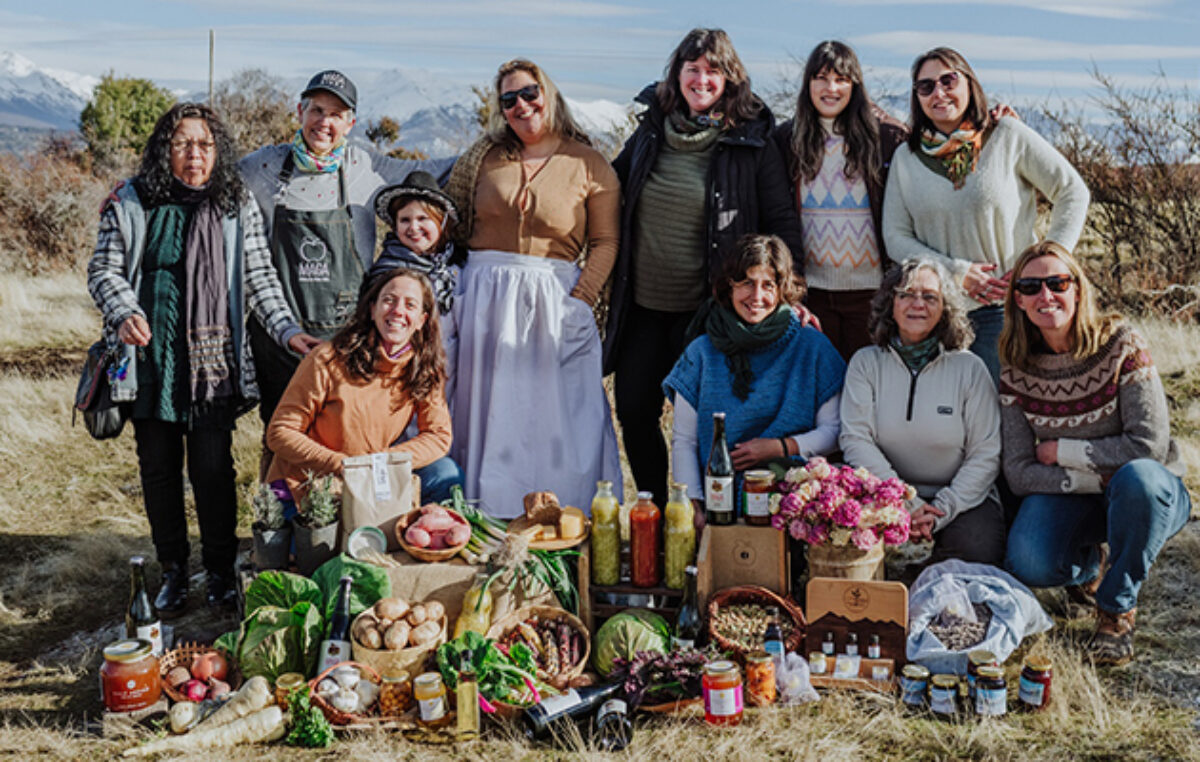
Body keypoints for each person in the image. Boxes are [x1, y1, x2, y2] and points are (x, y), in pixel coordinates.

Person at [87, 102, 305, 612]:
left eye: (204, 144)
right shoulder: (132, 198)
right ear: (165, 149)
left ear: (217, 150)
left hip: (213, 362)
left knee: (212, 469)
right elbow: (104, 270)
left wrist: (288, 332)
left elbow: (260, 278)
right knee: (158, 468)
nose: (194, 154)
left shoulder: (234, 201)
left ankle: (222, 571)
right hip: (149, 359)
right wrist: (122, 312)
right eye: (183, 143)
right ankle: (174, 571)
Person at [604, 28, 804, 505]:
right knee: (633, 409)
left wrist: (792, 295)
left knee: (705, 421)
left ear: (729, 78)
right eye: (691, 68)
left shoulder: (751, 141)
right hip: (644, 306)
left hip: (708, 312)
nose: (701, 78)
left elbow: (780, 222)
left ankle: (708, 514)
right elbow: (605, 186)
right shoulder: (652, 130)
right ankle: (658, 510)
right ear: (676, 75)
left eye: (713, 69)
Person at [443, 58, 622, 518]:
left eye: (529, 94)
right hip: (485, 297)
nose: (521, 105)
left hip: (555, 298)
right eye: (509, 99)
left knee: (560, 419)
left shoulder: (590, 162)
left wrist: (581, 301)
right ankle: (486, 521)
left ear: (549, 94)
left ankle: (567, 520)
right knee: (487, 415)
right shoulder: (481, 157)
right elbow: (452, 221)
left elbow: (605, 241)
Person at [999, 241, 1190, 666]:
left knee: (1137, 478)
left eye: (1057, 282)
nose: (1045, 296)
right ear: (1018, 300)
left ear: (1078, 289)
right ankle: (1090, 568)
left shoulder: (1122, 344)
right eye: (1031, 286)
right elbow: (1018, 471)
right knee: (1029, 561)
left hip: (1150, 494)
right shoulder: (1015, 367)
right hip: (1080, 497)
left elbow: (1148, 446)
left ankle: (1116, 609)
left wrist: (1061, 450)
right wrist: (1094, 475)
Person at [239, 69, 453, 430]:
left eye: (336, 115)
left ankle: (341, 491)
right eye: (317, 110)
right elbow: (205, 182)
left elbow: (442, 169)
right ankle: (273, 490)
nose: (324, 122)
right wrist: (130, 192)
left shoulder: (367, 167)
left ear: (351, 123)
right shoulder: (260, 167)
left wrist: (499, 146)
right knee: (280, 438)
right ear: (299, 112)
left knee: (344, 435)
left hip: (348, 339)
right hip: (279, 338)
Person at [882, 47, 1089, 384]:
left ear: (969, 84)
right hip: (938, 311)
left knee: (1001, 418)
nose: (939, 93)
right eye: (926, 86)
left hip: (1004, 309)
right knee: (946, 422)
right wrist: (955, 272)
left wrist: (1047, 263)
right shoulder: (907, 158)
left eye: (949, 80)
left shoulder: (1007, 135)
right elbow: (895, 236)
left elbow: (1072, 191)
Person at [839, 258, 1004, 569]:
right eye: (906, 294)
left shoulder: (968, 368)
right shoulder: (866, 363)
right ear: (890, 303)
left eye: (930, 297)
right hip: (882, 493)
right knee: (862, 556)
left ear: (945, 308)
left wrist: (940, 510)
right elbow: (855, 440)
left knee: (974, 553)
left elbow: (986, 453)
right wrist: (904, 501)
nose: (918, 304)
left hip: (960, 499)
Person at [663, 235, 844, 508]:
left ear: (783, 289)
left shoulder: (812, 346)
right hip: (718, 497)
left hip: (793, 497)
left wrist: (779, 447)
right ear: (729, 286)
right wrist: (693, 505)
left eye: (768, 285)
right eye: (747, 283)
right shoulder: (702, 351)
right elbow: (685, 441)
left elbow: (834, 430)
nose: (757, 296)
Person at [265, 268, 459, 505]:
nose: (398, 311)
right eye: (389, 300)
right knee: (319, 542)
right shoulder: (328, 358)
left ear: (421, 320)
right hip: (305, 485)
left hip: (367, 478)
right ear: (372, 309)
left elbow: (438, 436)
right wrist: (342, 465)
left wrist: (383, 461)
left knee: (445, 472)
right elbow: (280, 432)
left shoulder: (424, 368)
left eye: (410, 305)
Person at [774, 40, 908, 361]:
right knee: (821, 394)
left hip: (872, 293)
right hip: (811, 295)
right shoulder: (786, 140)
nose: (830, 87)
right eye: (821, 78)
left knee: (867, 391)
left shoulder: (885, 138)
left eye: (841, 79)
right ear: (808, 84)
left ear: (855, 85)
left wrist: (992, 121)